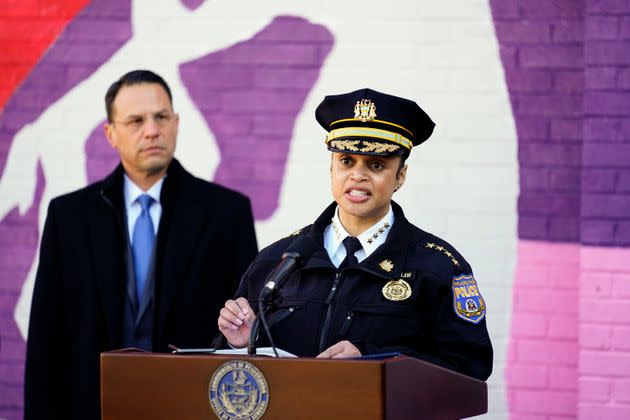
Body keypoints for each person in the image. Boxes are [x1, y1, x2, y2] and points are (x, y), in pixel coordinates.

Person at [24, 70, 258, 419]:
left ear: (176, 123)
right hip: (92, 406)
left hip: (191, 407)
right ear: (110, 134)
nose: (152, 130)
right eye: (135, 120)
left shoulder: (228, 213)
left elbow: (246, 332)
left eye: (161, 117)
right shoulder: (69, 216)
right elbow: (47, 338)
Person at [217, 88, 492, 381]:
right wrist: (242, 343)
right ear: (331, 167)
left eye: (376, 165)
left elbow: (470, 368)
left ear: (401, 175)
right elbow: (233, 378)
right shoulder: (278, 260)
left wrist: (372, 359)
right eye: (346, 161)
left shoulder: (438, 268)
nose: (358, 176)